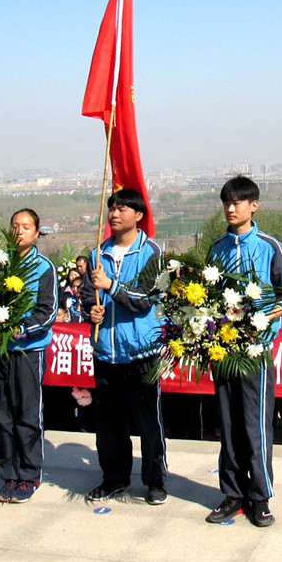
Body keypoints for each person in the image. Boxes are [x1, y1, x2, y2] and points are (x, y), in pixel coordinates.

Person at [204, 176, 282, 528]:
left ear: (253, 206)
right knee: (227, 426)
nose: (231, 208)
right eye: (227, 202)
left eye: (238, 202)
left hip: (256, 351)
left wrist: (278, 308)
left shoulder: (269, 245)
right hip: (224, 350)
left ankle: (260, 497)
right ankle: (232, 493)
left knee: (255, 426)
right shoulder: (216, 249)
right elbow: (207, 295)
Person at [78, 189, 168, 506]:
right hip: (106, 350)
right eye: (112, 208)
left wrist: (112, 286)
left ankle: (155, 481)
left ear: (139, 215)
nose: (115, 214)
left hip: (141, 351)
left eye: (123, 208)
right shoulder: (97, 255)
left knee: (147, 422)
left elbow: (146, 299)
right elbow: (88, 295)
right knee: (109, 423)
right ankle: (114, 477)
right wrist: (92, 309)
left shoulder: (151, 253)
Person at [0, 208, 58, 504]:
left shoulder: (43, 268)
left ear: (37, 231)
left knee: (27, 413)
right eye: (14, 226)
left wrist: (18, 329)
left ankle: (29, 474)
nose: (19, 231)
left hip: (28, 350)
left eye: (26, 226)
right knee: (2, 414)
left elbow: (48, 312)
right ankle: (9, 474)